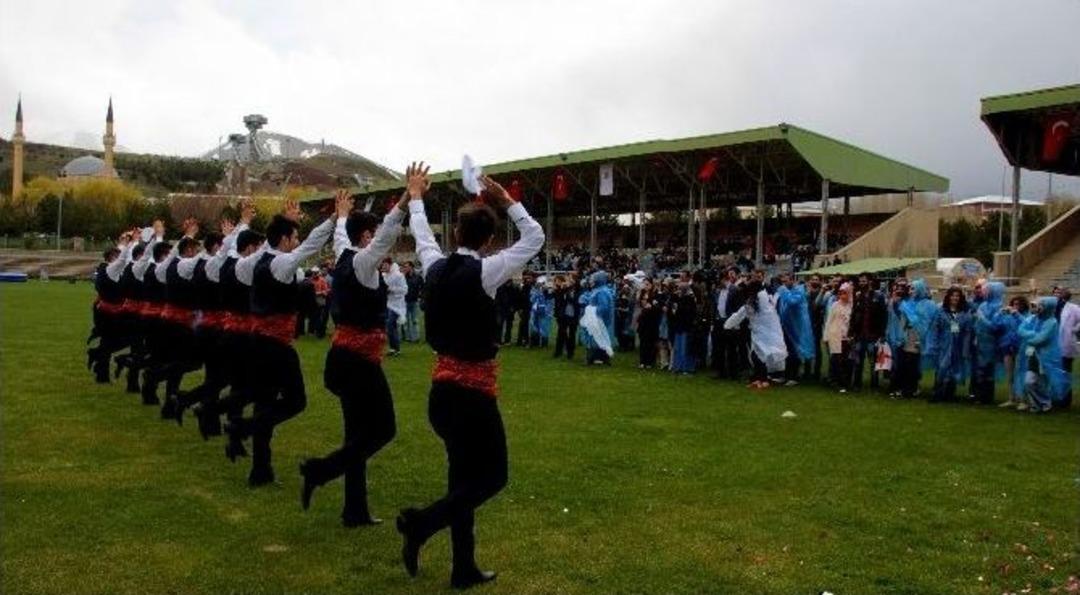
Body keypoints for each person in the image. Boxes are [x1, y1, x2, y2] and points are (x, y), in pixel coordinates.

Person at [397, 171, 544, 589]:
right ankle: (421, 525)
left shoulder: (435, 265)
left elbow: (423, 234)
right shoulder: (487, 271)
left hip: (441, 393)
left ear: (457, 232)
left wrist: (415, 197)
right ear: (488, 241)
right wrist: (507, 199)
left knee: (461, 480)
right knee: (493, 477)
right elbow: (534, 239)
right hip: (472, 396)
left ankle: (463, 567)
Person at [300, 187, 408, 527]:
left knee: (358, 436)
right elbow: (385, 237)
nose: (378, 240)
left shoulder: (345, 252)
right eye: (372, 234)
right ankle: (321, 471)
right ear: (365, 236)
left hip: (343, 360)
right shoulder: (361, 261)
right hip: (357, 362)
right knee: (384, 429)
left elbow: (339, 238)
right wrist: (406, 200)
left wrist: (342, 214)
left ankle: (354, 509)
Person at [224, 199, 335, 487]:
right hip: (275, 347)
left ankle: (260, 470)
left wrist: (282, 220)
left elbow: (243, 251)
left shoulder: (254, 261)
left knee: (264, 404)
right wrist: (335, 218)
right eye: (293, 236)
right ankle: (242, 427)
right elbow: (311, 245)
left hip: (256, 343)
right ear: (285, 239)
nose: (296, 241)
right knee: (296, 401)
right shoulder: (281, 263)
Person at [724, 279, 788, 389]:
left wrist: (727, 325)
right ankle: (759, 378)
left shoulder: (756, 301)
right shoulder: (764, 299)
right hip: (763, 332)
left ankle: (763, 379)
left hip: (763, 332)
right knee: (756, 355)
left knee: (758, 356)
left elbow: (740, 314)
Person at [1013, 297, 1071, 413]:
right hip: (1033, 355)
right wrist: (1033, 334)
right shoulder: (1034, 318)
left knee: (1042, 382)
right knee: (1029, 381)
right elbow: (1020, 330)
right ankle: (1039, 404)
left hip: (1046, 357)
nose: (1038, 308)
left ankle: (1044, 405)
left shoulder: (1052, 322)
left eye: (1041, 305)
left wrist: (1029, 337)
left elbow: (1040, 339)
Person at [926, 286, 973, 403]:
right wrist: (933, 344)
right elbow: (935, 329)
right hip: (944, 344)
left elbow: (968, 331)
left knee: (954, 369)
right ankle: (937, 392)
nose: (955, 298)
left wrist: (965, 349)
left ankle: (949, 393)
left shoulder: (964, 313)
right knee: (942, 368)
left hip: (958, 344)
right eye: (953, 295)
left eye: (957, 296)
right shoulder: (941, 311)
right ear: (948, 297)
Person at [970, 281, 1008, 404]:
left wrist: (982, 318)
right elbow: (977, 324)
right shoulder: (983, 305)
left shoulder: (999, 307)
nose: (983, 292)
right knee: (979, 368)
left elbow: (996, 327)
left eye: (986, 290)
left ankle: (986, 396)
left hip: (991, 343)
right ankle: (978, 394)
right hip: (980, 341)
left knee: (987, 369)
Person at [848, 274, 887, 392]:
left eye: (864, 281)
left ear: (869, 282)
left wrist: (882, 334)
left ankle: (874, 385)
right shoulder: (858, 296)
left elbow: (883, 317)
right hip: (859, 335)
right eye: (860, 281)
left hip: (873, 335)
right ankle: (856, 384)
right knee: (857, 362)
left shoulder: (878, 296)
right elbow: (854, 316)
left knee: (873, 363)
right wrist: (851, 332)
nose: (862, 283)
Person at [823, 282, 853, 393]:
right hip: (835, 336)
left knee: (846, 361)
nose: (843, 295)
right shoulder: (835, 305)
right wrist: (826, 336)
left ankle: (844, 382)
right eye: (841, 293)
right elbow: (829, 321)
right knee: (836, 360)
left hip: (847, 337)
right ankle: (834, 381)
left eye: (845, 293)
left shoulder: (851, 305)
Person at [1054, 288, 1079, 407]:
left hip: (1066, 343)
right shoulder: (1052, 306)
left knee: (1065, 372)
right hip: (1053, 343)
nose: (1059, 295)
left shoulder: (1074, 308)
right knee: (1054, 372)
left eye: (1061, 293)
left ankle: (1065, 400)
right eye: (1057, 292)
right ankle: (1056, 397)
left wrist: (1074, 330)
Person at [585, 270, 616, 365]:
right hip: (598, 318)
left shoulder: (602, 291)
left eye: (593, 279)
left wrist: (593, 312)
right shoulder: (600, 290)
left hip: (599, 319)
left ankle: (597, 358)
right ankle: (600, 358)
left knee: (597, 338)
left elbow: (604, 307)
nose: (591, 281)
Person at [669, 282, 697, 374]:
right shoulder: (678, 299)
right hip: (679, 327)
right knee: (678, 348)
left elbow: (689, 313)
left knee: (685, 348)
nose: (678, 291)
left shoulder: (689, 300)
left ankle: (685, 367)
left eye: (679, 289)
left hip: (686, 327)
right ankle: (678, 366)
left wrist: (677, 310)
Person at [552, 274, 580, 360]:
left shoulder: (577, 289)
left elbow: (575, 300)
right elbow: (559, 300)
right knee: (561, 332)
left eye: (570, 279)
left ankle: (570, 352)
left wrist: (567, 294)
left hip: (573, 314)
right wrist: (559, 290)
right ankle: (559, 351)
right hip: (564, 314)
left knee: (571, 334)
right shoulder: (565, 289)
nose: (567, 280)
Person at [383, 258, 407, 356]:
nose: (383, 267)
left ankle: (396, 348)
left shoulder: (399, 276)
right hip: (387, 304)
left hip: (397, 306)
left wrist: (391, 290)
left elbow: (404, 290)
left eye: (385, 264)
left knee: (390, 325)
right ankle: (394, 348)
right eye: (383, 265)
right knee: (391, 327)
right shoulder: (384, 276)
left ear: (390, 265)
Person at [636, 279, 660, 369]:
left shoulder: (654, 295)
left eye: (647, 284)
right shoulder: (641, 294)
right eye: (644, 284)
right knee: (643, 342)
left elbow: (657, 308)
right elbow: (639, 305)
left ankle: (649, 361)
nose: (645, 286)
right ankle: (642, 361)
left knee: (650, 342)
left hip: (651, 322)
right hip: (643, 321)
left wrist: (651, 306)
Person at [403, 261, 423, 342]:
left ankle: (416, 337)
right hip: (405, 301)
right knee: (406, 321)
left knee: (414, 320)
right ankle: (408, 337)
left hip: (414, 301)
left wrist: (420, 295)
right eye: (405, 267)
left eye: (407, 266)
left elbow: (422, 287)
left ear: (411, 267)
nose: (405, 268)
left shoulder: (418, 277)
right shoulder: (403, 277)